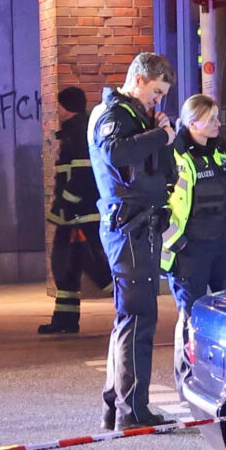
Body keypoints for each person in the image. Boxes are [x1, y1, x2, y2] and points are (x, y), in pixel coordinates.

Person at [92, 52, 178, 430]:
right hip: (130, 227)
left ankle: (118, 405)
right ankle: (133, 410)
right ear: (140, 78)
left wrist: (158, 132)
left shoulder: (132, 117)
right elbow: (116, 152)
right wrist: (160, 134)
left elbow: (160, 168)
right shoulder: (113, 114)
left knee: (130, 316)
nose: (157, 100)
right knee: (139, 318)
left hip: (137, 225)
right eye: (156, 92)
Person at [164, 93, 226, 316]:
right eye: (211, 118)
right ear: (192, 123)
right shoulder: (172, 157)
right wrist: (176, 242)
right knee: (191, 317)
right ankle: (187, 353)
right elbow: (158, 205)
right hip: (189, 249)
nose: (218, 123)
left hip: (225, 246)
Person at [41, 85, 109, 335]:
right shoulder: (74, 131)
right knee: (68, 265)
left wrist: (66, 203)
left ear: (68, 107)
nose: (56, 110)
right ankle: (65, 320)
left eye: (59, 105)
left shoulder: (78, 134)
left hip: (79, 214)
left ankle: (127, 300)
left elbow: (81, 175)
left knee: (90, 264)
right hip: (75, 213)